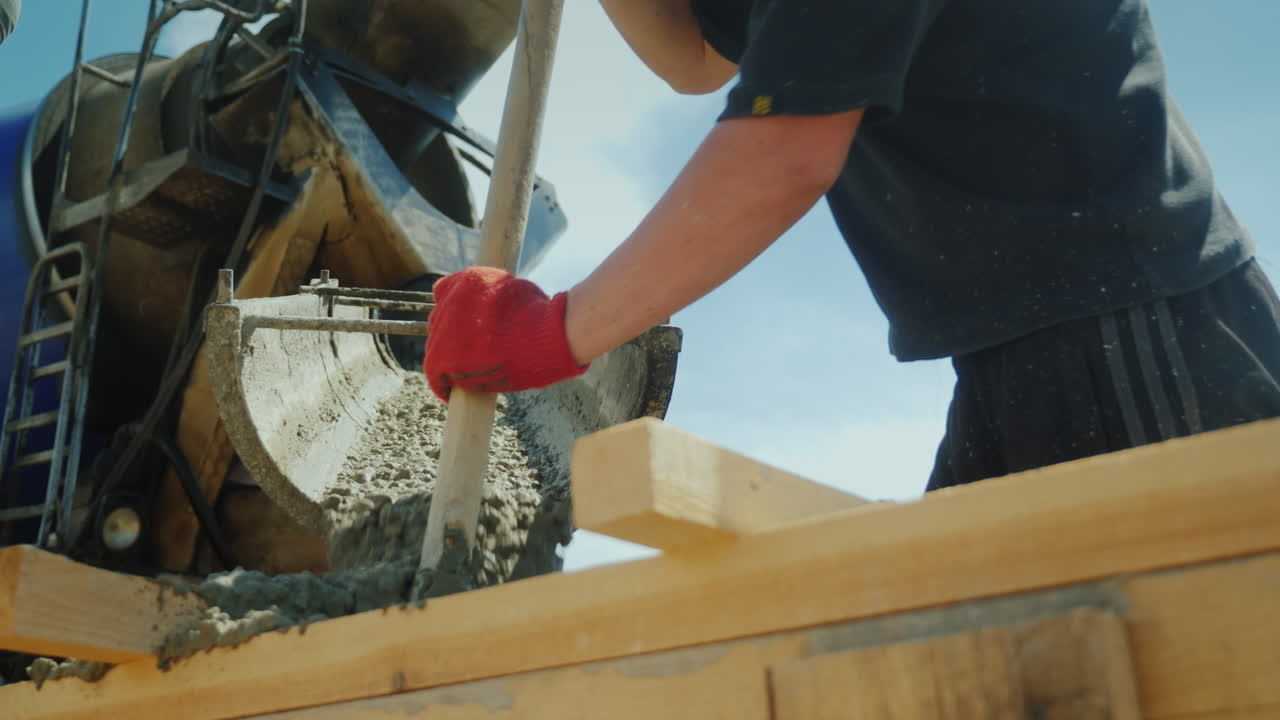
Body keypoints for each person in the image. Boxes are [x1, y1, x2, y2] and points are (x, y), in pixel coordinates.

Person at [424, 0, 1280, 491]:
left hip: (1134, 336)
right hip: (1027, 355)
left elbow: (786, 149)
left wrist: (547, 333)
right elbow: (697, 57)